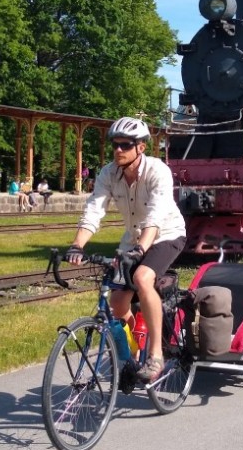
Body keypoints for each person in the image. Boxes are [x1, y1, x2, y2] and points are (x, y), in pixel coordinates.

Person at [66, 117, 186, 383]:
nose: (118, 150)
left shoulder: (158, 171)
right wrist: (77, 245)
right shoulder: (108, 173)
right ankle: (135, 348)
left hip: (166, 234)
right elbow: (94, 210)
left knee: (143, 278)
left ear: (140, 147)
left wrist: (141, 249)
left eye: (125, 145)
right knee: (118, 304)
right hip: (133, 239)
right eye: (115, 144)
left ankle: (156, 355)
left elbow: (155, 217)